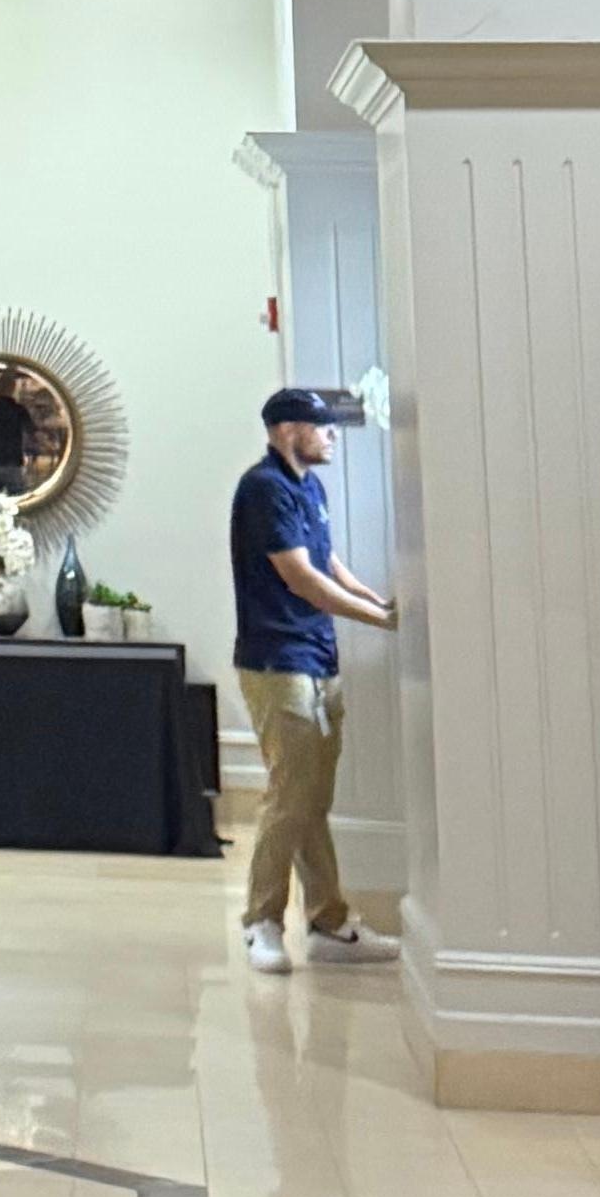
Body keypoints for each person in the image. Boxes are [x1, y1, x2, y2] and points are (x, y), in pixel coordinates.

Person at [229, 389, 395, 972]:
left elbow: (325, 562)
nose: (331, 436)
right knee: (290, 793)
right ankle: (262, 922)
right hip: (277, 660)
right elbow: (299, 578)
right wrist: (378, 620)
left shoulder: (309, 488)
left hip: (317, 655)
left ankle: (328, 923)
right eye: (321, 426)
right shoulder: (263, 488)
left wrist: (374, 599)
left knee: (313, 797)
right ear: (286, 430)